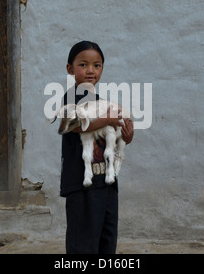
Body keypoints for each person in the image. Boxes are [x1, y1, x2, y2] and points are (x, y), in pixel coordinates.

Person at [60, 41, 134, 254]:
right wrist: (107, 119)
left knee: (106, 237)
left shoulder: (102, 102)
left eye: (97, 65)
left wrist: (127, 136)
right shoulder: (71, 97)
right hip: (82, 183)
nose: (91, 70)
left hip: (106, 182)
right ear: (70, 69)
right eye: (83, 65)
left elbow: (115, 134)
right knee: (83, 241)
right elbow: (74, 126)